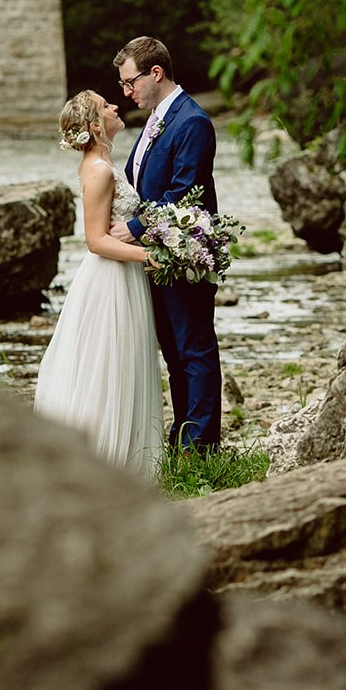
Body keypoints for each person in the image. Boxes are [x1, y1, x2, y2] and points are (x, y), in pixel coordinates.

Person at [33, 89, 164, 474]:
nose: (115, 107)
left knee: (121, 363)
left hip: (121, 276)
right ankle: (108, 462)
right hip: (110, 282)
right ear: (95, 126)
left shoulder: (104, 162)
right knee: (109, 365)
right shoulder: (99, 170)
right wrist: (148, 255)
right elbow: (95, 241)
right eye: (107, 106)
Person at [109, 35, 222, 451]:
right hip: (157, 256)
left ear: (155, 73)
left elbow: (183, 192)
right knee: (174, 351)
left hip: (183, 253)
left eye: (130, 81)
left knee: (194, 349)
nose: (126, 91)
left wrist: (134, 228)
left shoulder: (192, 122)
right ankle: (182, 436)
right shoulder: (157, 119)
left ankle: (202, 444)